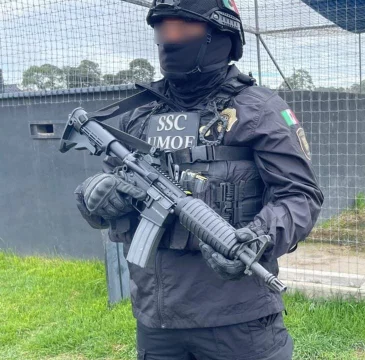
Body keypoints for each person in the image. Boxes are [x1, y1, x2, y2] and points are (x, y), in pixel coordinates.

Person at [73, 0, 324, 359]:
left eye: (184, 29)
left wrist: (261, 237)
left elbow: (300, 196)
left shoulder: (259, 110)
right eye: (163, 30)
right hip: (157, 320)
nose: (170, 40)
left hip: (239, 320)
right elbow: (114, 188)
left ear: (221, 36)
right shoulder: (139, 115)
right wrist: (93, 195)